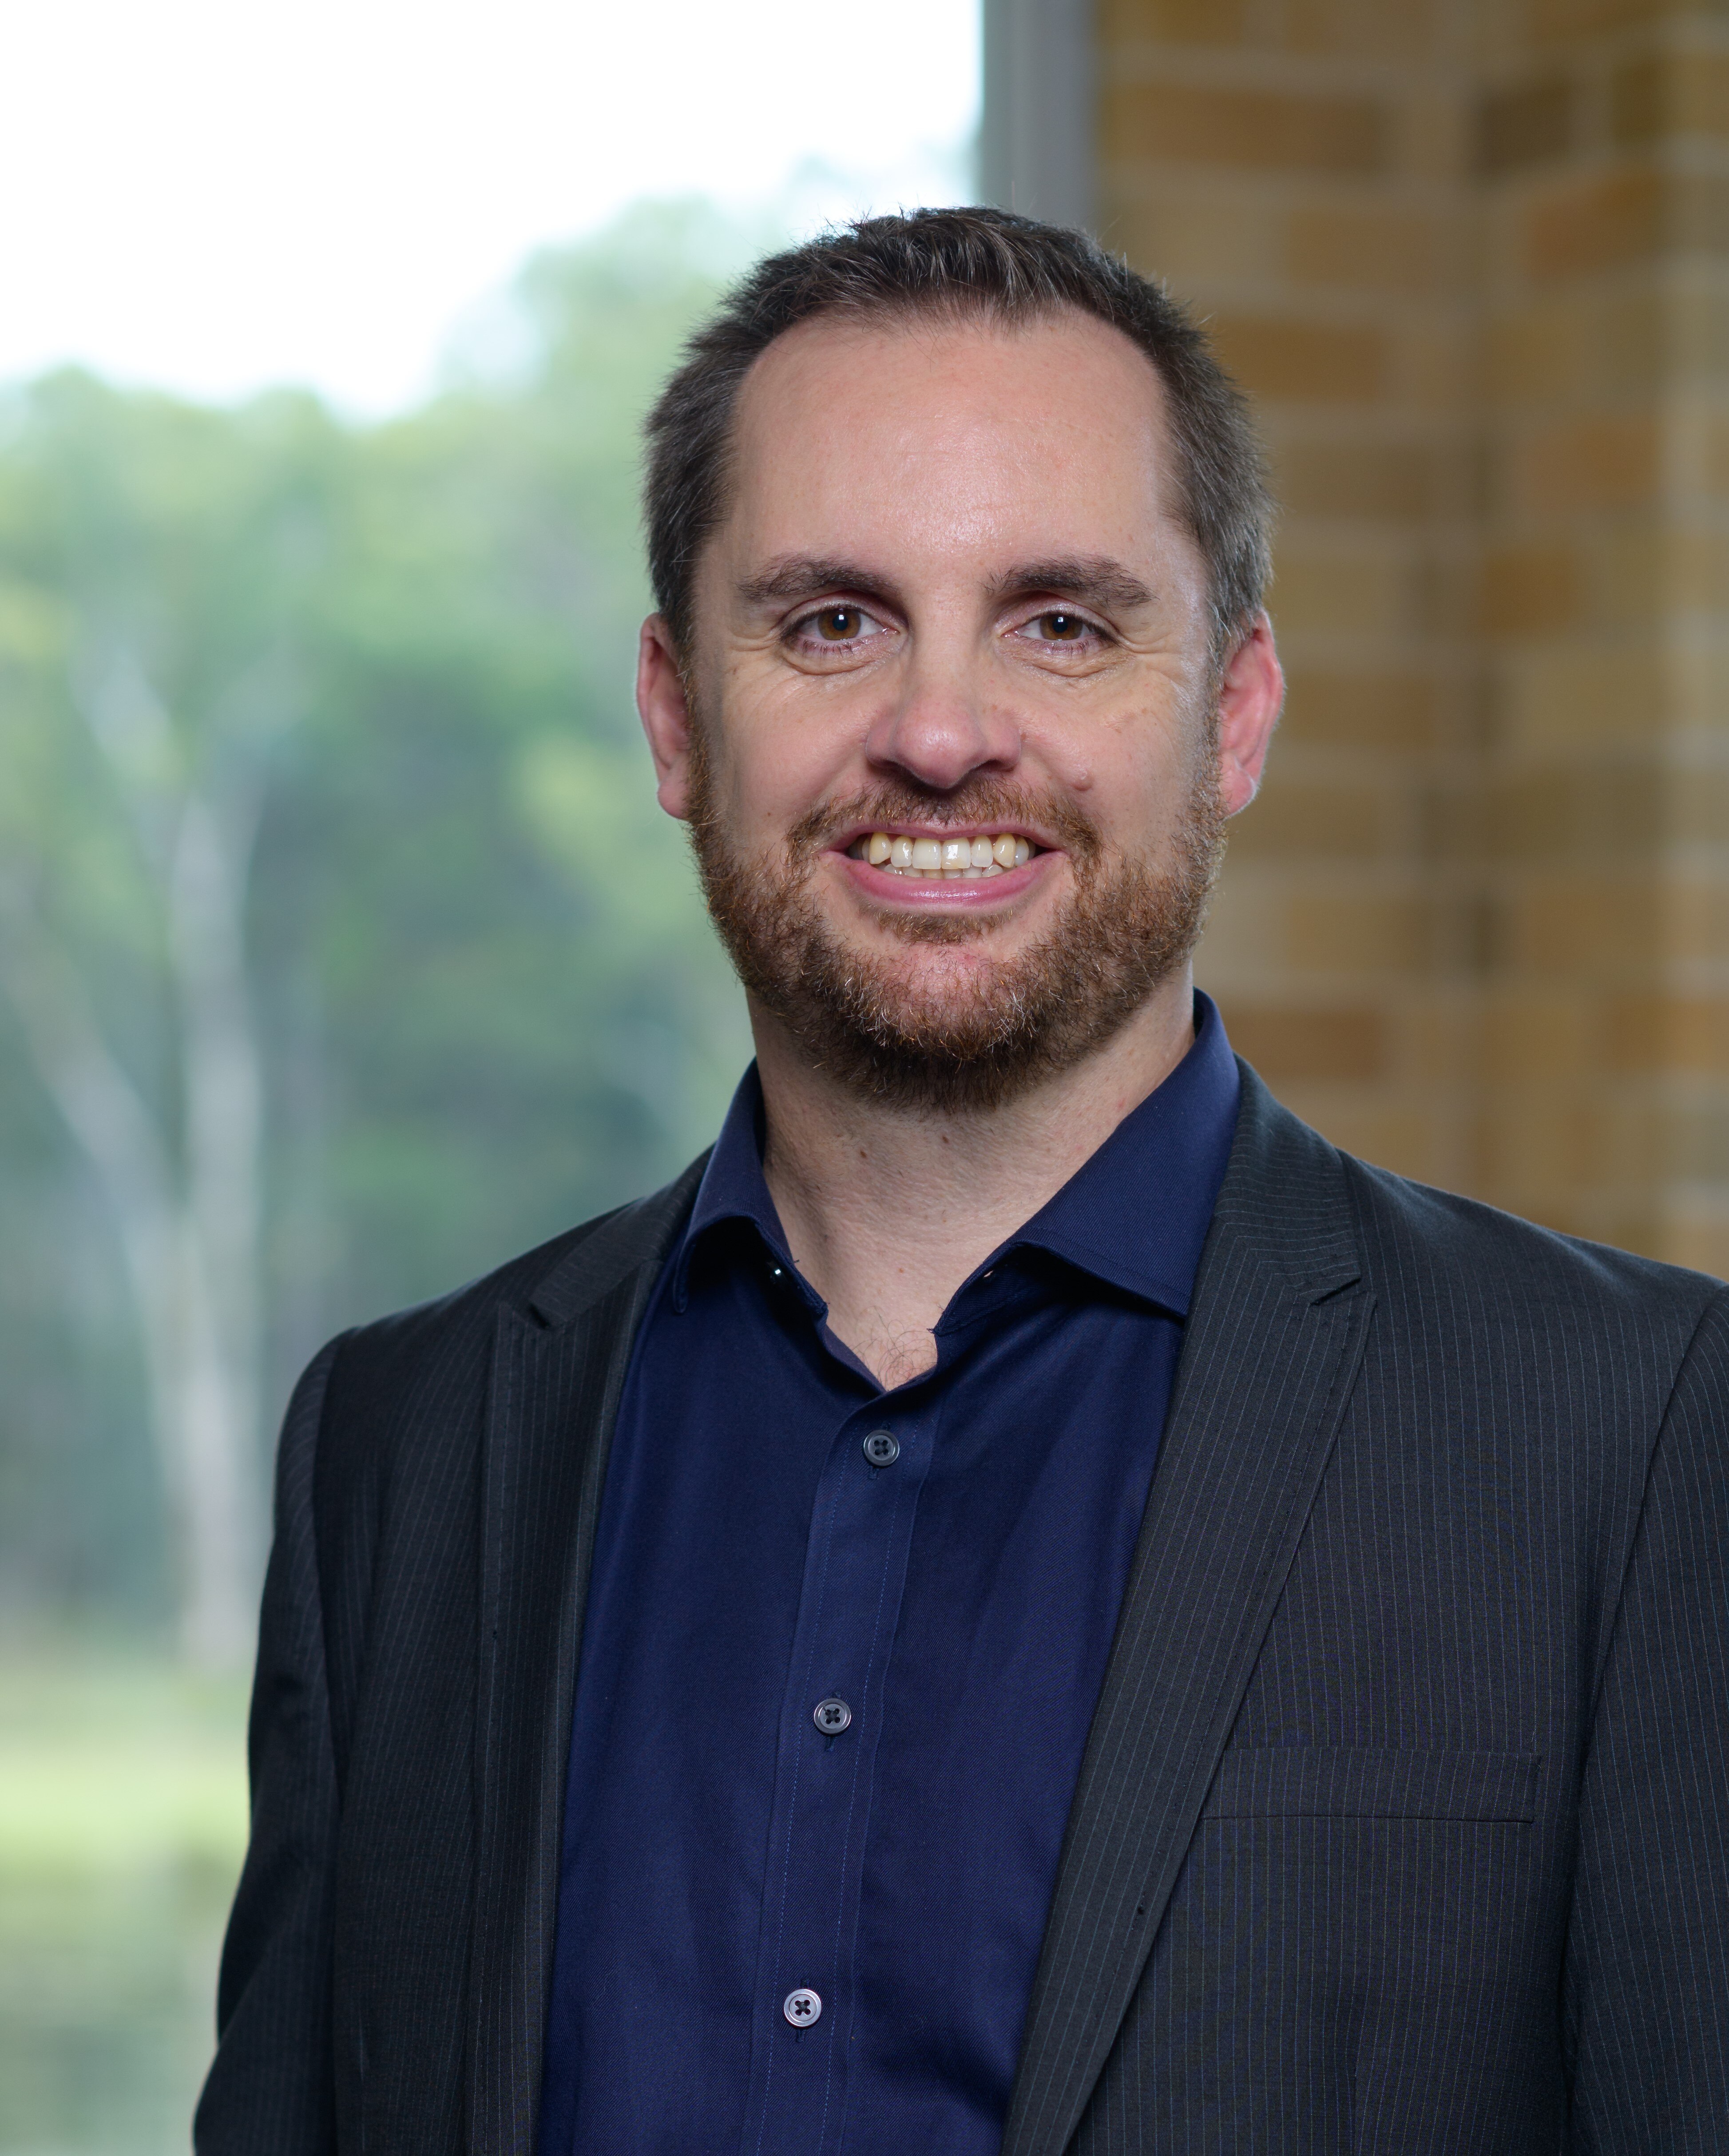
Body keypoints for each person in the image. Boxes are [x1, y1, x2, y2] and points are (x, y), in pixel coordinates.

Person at [195, 209, 1729, 2156]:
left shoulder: (1632, 1440)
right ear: (675, 715)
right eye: (831, 622)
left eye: (1061, 623)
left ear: (1232, 714)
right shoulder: (400, 1451)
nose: (937, 735)